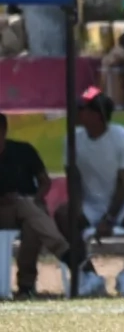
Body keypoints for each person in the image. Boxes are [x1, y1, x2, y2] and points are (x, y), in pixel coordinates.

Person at [53, 87, 124, 297]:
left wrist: (109, 218)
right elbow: (74, 181)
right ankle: (88, 275)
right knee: (63, 215)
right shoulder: (71, 140)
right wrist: (79, 210)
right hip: (89, 204)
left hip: (121, 202)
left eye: (81, 108)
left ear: (96, 114)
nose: (74, 112)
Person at [0, 112, 75, 298]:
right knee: (30, 211)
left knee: (32, 222)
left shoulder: (23, 151)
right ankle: (68, 255)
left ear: (4, 131)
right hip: (3, 211)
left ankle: (26, 287)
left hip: (28, 207)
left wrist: (36, 198)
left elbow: (44, 181)